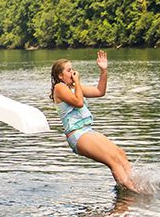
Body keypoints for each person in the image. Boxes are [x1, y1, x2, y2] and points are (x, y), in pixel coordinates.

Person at [50, 51, 138, 192]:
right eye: (69, 70)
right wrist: (77, 81)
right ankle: (133, 192)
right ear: (61, 76)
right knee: (112, 160)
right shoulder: (59, 87)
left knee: (119, 153)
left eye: (72, 69)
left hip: (87, 131)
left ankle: (137, 184)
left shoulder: (74, 87)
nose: (73, 73)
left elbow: (99, 91)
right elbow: (78, 102)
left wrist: (103, 70)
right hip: (77, 135)